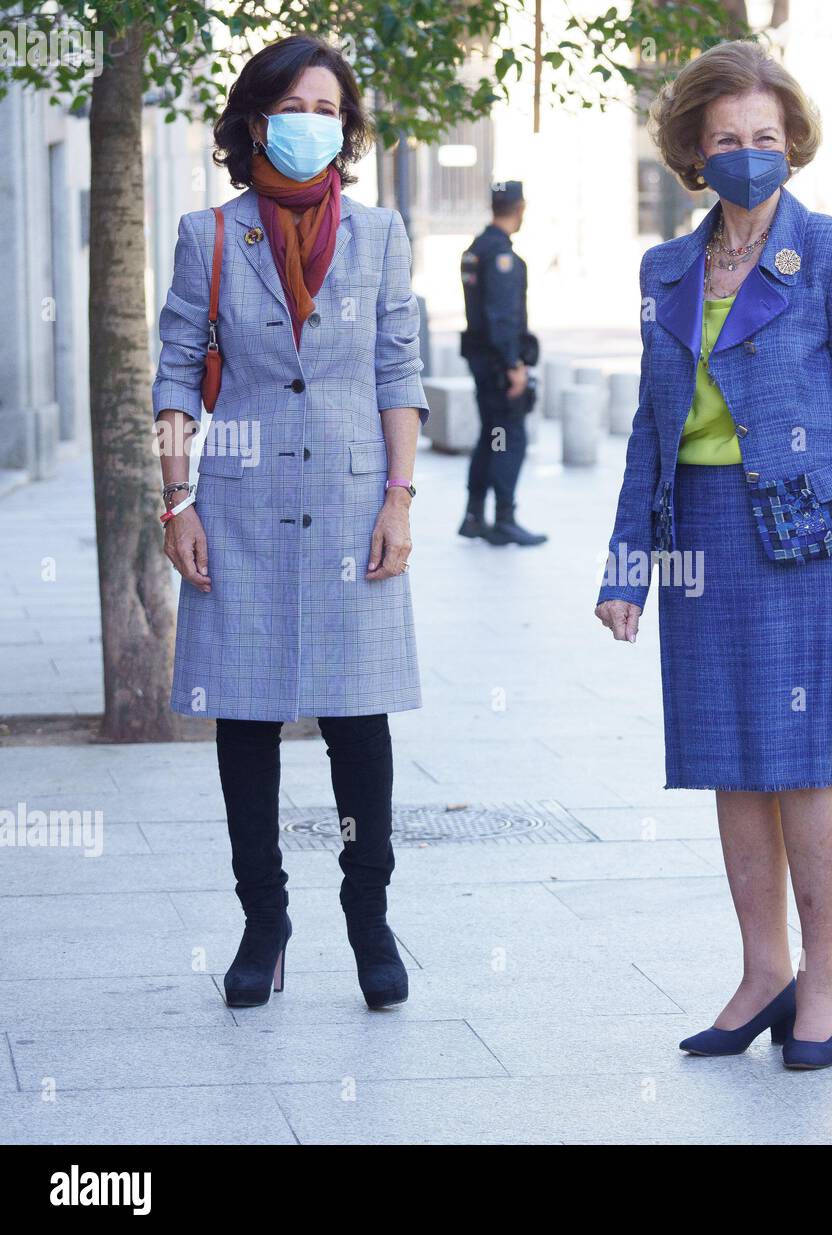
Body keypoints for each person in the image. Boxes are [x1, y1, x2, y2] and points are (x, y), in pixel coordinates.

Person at [593, 40, 832, 1070]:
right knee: (731, 761)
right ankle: (760, 969)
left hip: (814, 540)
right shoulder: (666, 267)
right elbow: (652, 424)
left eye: (764, 138)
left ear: (793, 145)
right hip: (700, 532)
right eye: (726, 138)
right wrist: (624, 563)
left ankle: (821, 978)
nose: (746, 153)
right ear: (694, 146)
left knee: (811, 763)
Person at [153, 34, 427, 1012]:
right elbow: (178, 372)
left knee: (359, 721)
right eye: (291, 106)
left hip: (357, 501)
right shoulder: (209, 235)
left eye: (327, 108)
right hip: (242, 500)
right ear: (253, 120)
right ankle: (263, 920)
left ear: (345, 127)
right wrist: (176, 497)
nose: (310, 123)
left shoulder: (382, 235)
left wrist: (400, 495)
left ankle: (369, 917)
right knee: (247, 716)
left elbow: (398, 370)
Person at [457, 180, 546, 547]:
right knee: (509, 439)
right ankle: (504, 517)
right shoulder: (502, 256)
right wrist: (513, 365)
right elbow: (501, 317)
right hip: (499, 366)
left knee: (490, 437)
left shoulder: (474, 250)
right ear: (520, 207)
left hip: (481, 361)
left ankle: (474, 515)